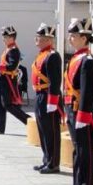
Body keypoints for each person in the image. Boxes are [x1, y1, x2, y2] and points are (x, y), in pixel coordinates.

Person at [64, 18, 93, 185]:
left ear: (84, 38)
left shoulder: (87, 61)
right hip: (74, 110)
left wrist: (83, 115)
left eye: (73, 36)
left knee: (85, 153)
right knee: (79, 152)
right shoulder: (76, 58)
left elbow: (88, 91)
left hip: (82, 112)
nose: (70, 39)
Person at [0, 26, 31, 134]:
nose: (3, 39)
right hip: (3, 78)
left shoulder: (14, 50)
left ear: (11, 37)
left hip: (8, 80)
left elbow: (12, 66)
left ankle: (29, 121)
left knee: (8, 105)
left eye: (5, 37)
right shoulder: (9, 49)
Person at [31, 24, 63, 174]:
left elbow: (55, 81)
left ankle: (53, 163)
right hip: (40, 95)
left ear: (48, 40)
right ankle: (46, 159)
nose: (36, 40)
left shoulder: (52, 55)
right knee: (43, 130)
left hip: (48, 96)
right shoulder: (42, 54)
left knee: (51, 132)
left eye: (40, 38)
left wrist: (52, 101)